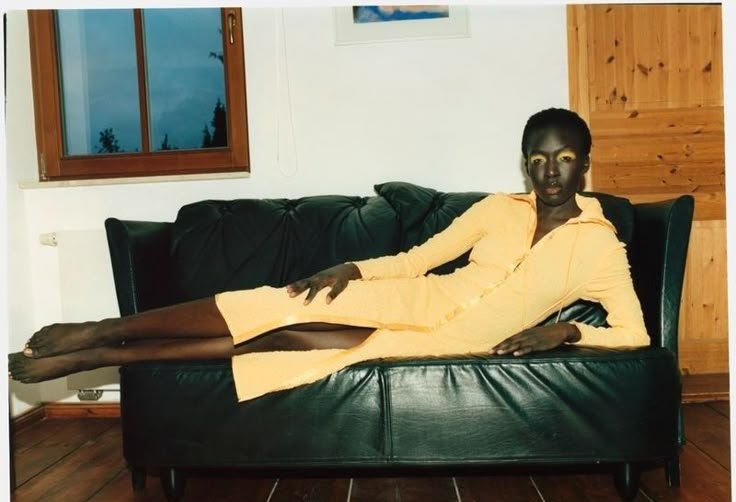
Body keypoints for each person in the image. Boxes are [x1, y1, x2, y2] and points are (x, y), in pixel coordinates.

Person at [8, 108, 650, 401]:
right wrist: (356, 268)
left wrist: (566, 331)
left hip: (445, 341)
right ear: (525, 163)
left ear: (585, 165)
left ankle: (105, 360)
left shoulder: (599, 245)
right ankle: (102, 330)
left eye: (565, 159)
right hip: (415, 298)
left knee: (284, 341)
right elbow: (419, 258)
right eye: (538, 159)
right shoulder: (497, 209)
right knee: (279, 302)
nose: (550, 173)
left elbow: (634, 334)